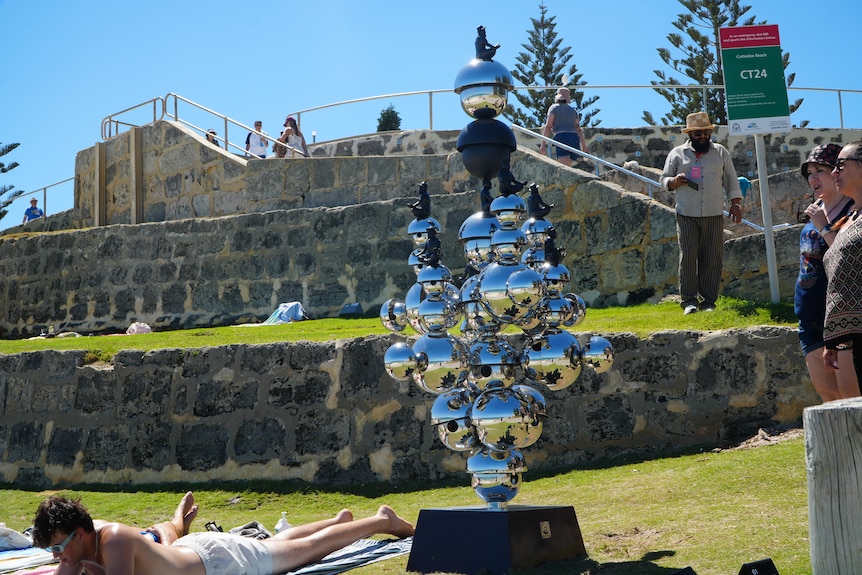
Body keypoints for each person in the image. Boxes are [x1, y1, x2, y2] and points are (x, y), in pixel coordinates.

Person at [32, 495, 414, 575]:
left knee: (307, 552)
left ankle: (381, 520)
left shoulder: (112, 539)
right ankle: (337, 521)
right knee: (276, 545)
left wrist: (81, 566)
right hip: (195, 551)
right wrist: (71, 562)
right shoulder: (78, 550)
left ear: (82, 532)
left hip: (217, 563)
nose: (57, 557)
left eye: (60, 547)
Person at [660, 111, 743, 315]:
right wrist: (673, 182)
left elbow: (731, 179)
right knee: (688, 256)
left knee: (712, 257)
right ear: (690, 134)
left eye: (705, 133)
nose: (703, 137)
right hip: (686, 214)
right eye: (698, 134)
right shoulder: (677, 153)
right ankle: (689, 301)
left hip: (714, 213)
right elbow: (663, 180)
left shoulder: (721, 152)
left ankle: (708, 302)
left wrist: (736, 203)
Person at [794, 144, 858, 401]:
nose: (813, 178)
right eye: (809, 172)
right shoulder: (814, 212)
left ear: (836, 173)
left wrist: (823, 227)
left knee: (851, 398)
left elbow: (847, 257)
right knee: (829, 398)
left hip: (842, 318)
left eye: (820, 170)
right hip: (809, 320)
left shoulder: (852, 213)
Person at [823, 140, 862, 385]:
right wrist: (835, 338)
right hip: (854, 336)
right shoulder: (850, 218)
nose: (833, 172)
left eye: (840, 165)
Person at [538, 87, 588, 167]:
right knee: (568, 165)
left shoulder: (553, 108)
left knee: (564, 167)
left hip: (561, 137)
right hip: (574, 139)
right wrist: (584, 146)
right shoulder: (573, 111)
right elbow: (578, 129)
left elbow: (548, 126)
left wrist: (543, 144)